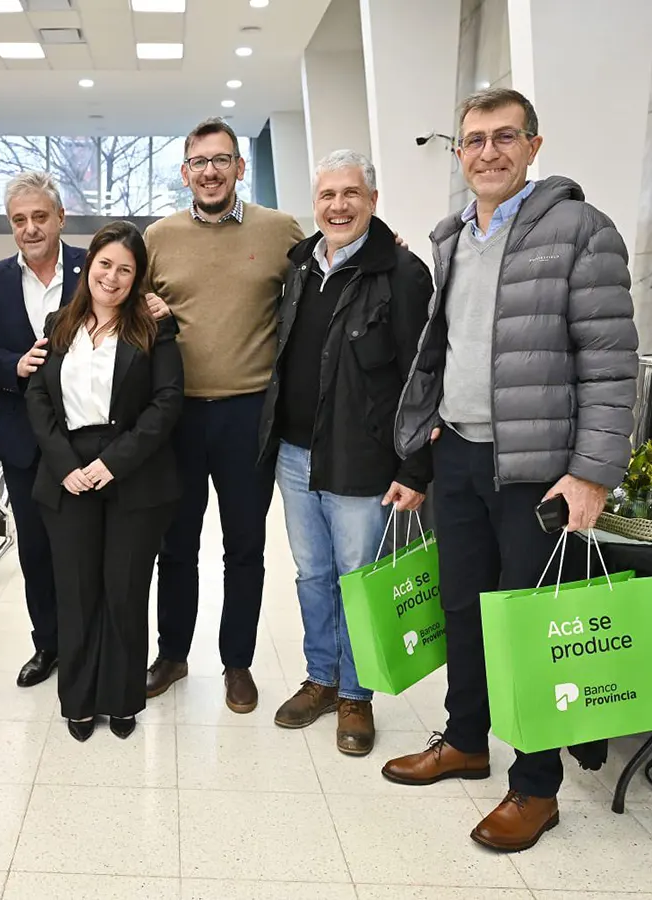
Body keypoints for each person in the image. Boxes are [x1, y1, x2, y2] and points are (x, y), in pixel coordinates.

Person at [384, 88, 639, 851]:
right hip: (456, 450)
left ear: (534, 145)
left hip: (538, 469)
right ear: (457, 152)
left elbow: (611, 364)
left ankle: (536, 787)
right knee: (463, 607)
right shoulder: (453, 236)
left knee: (529, 624)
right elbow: (446, 352)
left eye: (504, 137)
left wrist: (594, 473)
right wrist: (422, 455)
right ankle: (465, 739)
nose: (487, 152)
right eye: (473, 140)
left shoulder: (581, 231)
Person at [258, 149, 433, 755]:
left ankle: (357, 695)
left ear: (373, 201)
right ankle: (323, 677)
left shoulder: (404, 274)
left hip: (361, 460)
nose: (338, 205)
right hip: (295, 452)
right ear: (315, 204)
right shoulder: (299, 265)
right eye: (328, 195)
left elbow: (423, 374)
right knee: (313, 574)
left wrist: (415, 467)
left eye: (351, 194)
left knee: (358, 579)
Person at [143, 117, 305, 714]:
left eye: (222, 160)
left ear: (240, 167)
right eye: (199, 162)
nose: (210, 171)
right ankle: (173, 654)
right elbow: (128, 307)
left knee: (244, 547)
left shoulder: (281, 229)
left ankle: (237, 664)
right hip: (177, 417)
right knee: (176, 545)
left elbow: (327, 275)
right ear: (185, 172)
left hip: (248, 415)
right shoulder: (157, 237)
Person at [25, 221, 183, 741]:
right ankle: (78, 698)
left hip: (132, 473)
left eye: (125, 270)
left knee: (123, 590)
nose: (112, 278)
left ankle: (121, 698)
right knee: (76, 591)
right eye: (104, 265)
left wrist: (113, 463)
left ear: (137, 278)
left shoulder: (153, 327)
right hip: (67, 470)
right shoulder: (59, 321)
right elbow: (39, 398)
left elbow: (166, 404)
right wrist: (65, 464)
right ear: (88, 265)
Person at [0, 172, 87, 688]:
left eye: (40, 217)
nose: (30, 228)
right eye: (19, 219)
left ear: (60, 218)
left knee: (88, 550)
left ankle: (90, 647)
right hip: (23, 441)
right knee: (36, 551)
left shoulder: (96, 268)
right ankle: (49, 645)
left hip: (88, 441)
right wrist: (12, 366)